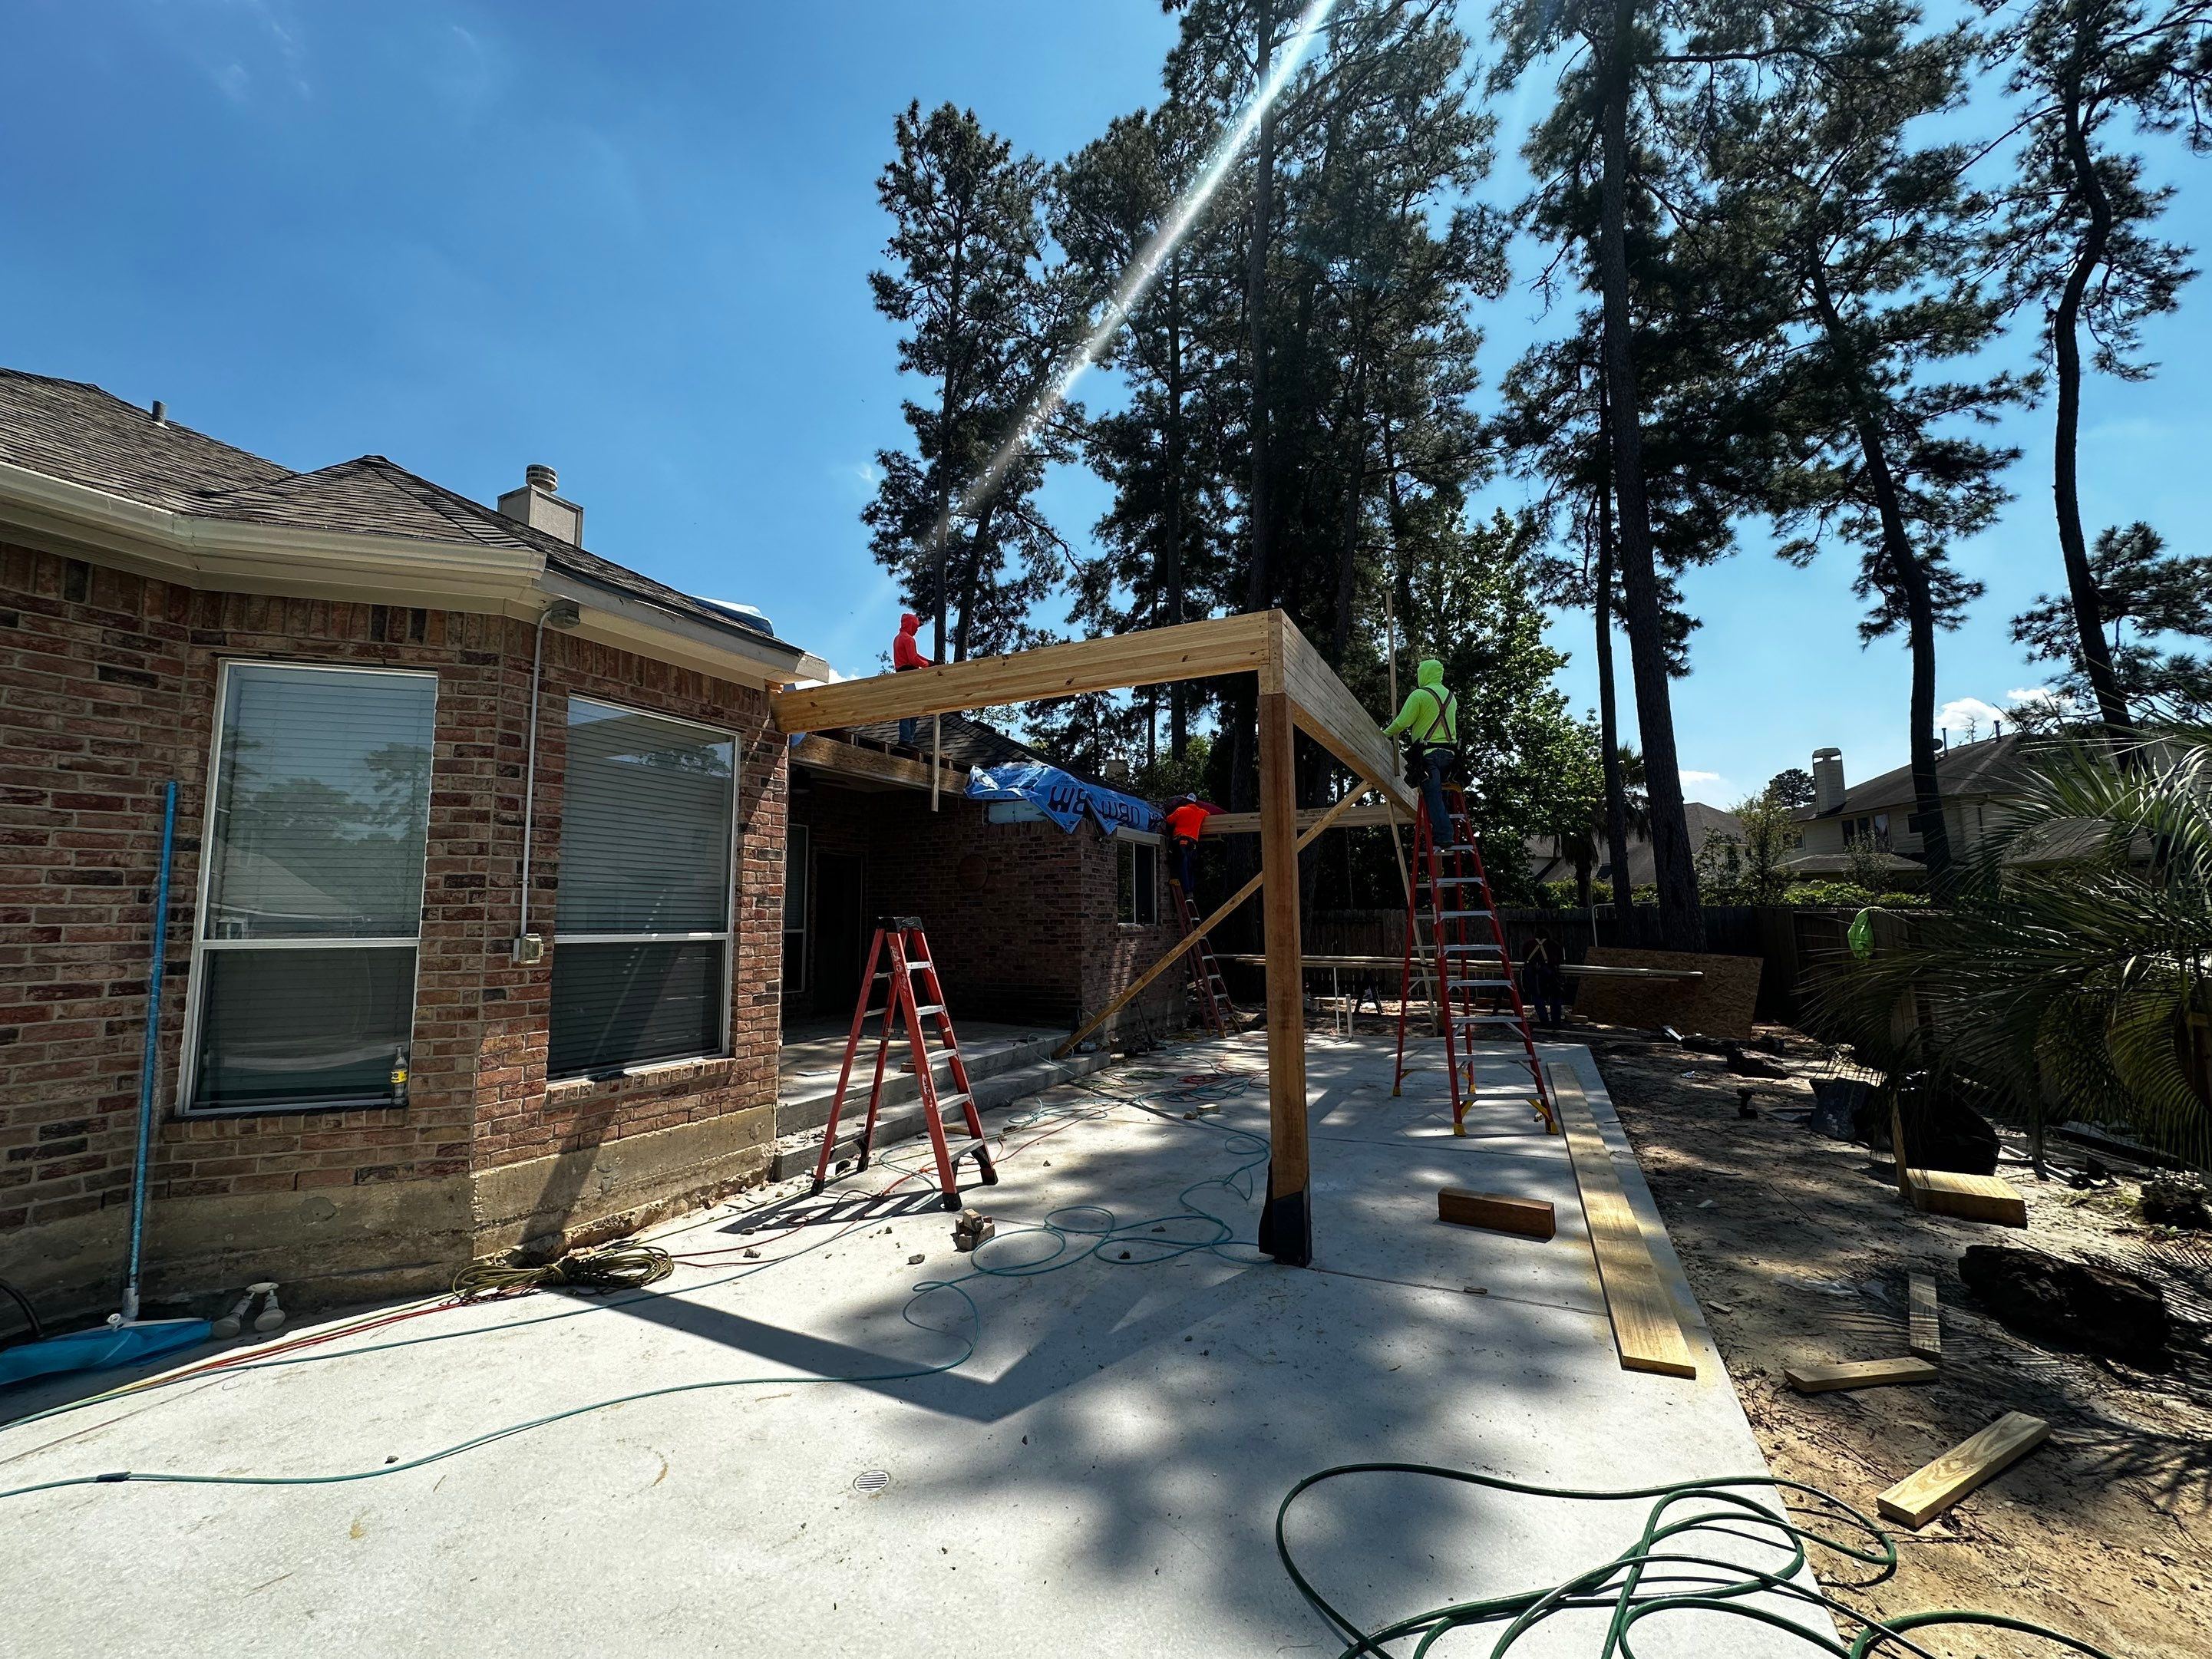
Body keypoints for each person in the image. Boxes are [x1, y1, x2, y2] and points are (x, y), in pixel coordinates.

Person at [1380, 658, 1458, 836]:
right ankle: (1448, 830)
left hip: (1428, 756)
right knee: (1441, 795)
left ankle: (1445, 836)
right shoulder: (1451, 698)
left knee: (1432, 795)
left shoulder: (1420, 695)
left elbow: (1402, 722)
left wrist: (1384, 734)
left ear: (1424, 674)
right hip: (1450, 757)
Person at [891, 612, 930, 747]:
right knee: (911, 709)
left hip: (901, 674)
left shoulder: (898, 638)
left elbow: (915, 655)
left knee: (909, 708)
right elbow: (913, 659)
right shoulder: (908, 639)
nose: (917, 629)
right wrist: (928, 665)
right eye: (916, 626)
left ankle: (907, 738)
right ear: (911, 625)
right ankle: (906, 739)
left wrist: (929, 661)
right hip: (909, 675)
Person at [1164, 793, 1210, 902]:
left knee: (1182, 867)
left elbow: (1169, 820)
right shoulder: (1201, 812)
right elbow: (1208, 814)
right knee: (1190, 868)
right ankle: (1190, 893)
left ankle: (1186, 892)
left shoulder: (1180, 810)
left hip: (1181, 843)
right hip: (1192, 844)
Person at [1522, 928, 1565, 1028]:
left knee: (1537, 996)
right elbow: (1558, 960)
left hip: (1533, 974)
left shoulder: (1528, 945)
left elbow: (1524, 957)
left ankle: (1544, 1021)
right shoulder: (1554, 945)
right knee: (1555, 996)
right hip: (1549, 973)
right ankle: (1556, 1022)